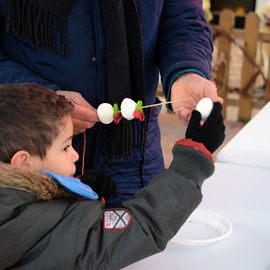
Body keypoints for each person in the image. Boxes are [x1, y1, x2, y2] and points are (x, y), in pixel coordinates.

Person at [0, 0, 223, 207]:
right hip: (36, 158)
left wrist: (187, 70)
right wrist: (42, 99)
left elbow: (183, 19)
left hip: (132, 152)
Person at [0, 83, 225, 269]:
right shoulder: (46, 231)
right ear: (23, 162)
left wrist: (75, 190)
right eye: (66, 146)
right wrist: (193, 157)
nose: (75, 155)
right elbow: (142, 226)